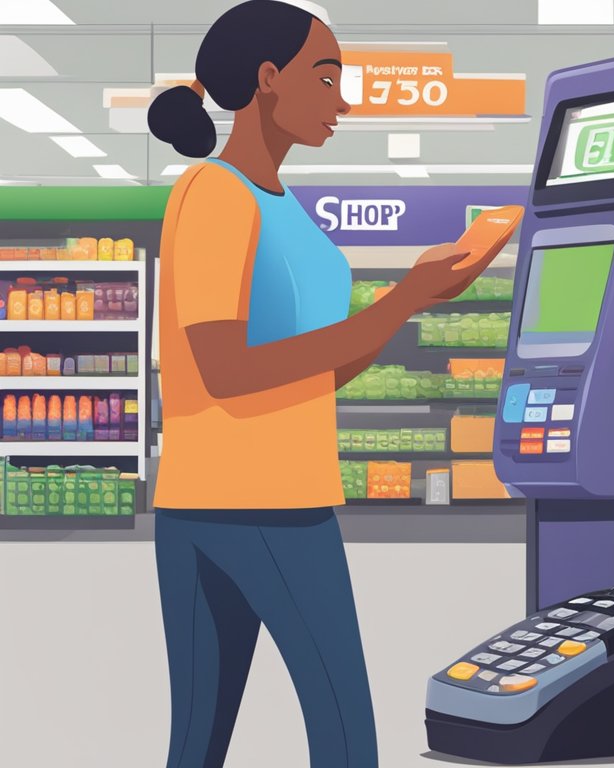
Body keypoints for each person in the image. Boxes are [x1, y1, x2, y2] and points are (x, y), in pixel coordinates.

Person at [147, 2, 487, 766]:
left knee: (198, 741)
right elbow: (227, 371)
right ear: (268, 81)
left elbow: (320, 374)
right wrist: (402, 298)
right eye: (327, 77)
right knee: (343, 732)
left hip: (251, 501)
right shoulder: (214, 195)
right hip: (262, 506)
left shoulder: (284, 208)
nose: (345, 100)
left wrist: (410, 303)